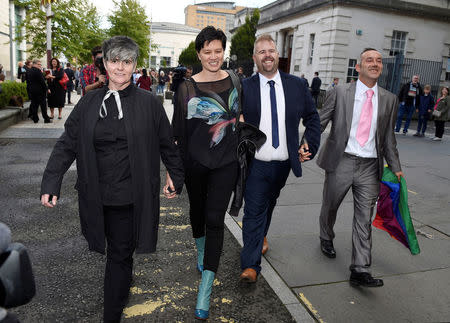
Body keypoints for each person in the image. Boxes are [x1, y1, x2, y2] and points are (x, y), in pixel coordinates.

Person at [40, 36, 184, 322]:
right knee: (110, 249)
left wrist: (175, 175)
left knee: (119, 255)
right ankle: (121, 278)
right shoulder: (89, 102)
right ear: (104, 64)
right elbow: (68, 142)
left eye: (127, 61)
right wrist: (51, 182)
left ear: (134, 65)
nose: (120, 67)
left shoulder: (149, 104)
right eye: (114, 60)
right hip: (95, 193)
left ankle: (111, 314)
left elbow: (167, 143)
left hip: (131, 195)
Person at [317, 48, 404, 287]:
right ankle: (326, 236)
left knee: (364, 218)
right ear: (358, 67)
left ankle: (360, 268)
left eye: (378, 61)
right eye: (369, 60)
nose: (374, 64)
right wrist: (306, 144)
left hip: (370, 166)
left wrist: (395, 167)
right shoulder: (340, 92)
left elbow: (388, 138)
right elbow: (320, 122)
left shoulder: (389, 99)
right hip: (341, 160)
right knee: (330, 205)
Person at [171, 26, 240, 320]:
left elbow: (239, 114)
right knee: (198, 212)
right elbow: (177, 134)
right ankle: (200, 251)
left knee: (215, 219)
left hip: (227, 163)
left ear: (223, 50)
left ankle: (206, 286)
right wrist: (172, 173)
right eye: (207, 51)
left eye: (218, 50)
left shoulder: (236, 79)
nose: (213, 56)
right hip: (195, 162)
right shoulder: (186, 87)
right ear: (198, 53)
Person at [239, 34, 321, 283]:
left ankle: (261, 235)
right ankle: (251, 266)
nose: (267, 55)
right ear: (255, 58)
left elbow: (313, 118)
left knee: (269, 203)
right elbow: (231, 115)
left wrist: (309, 143)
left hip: (284, 163)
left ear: (278, 55)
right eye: (261, 51)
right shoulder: (244, 86)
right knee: (253, 210)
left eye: (271, 50)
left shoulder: (296, 85)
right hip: (256, 163)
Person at [28, 59, 51, 123]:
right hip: (40, 91)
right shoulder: (38, 71)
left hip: (32, 91)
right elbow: (42, 82)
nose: (40, 66)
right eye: (39, 64)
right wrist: (47, 89)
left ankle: (35, 119)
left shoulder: (29, 71)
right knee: (43, 106)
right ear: (34, 64)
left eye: (40, 64)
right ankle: (46, 119)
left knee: (34, 105)